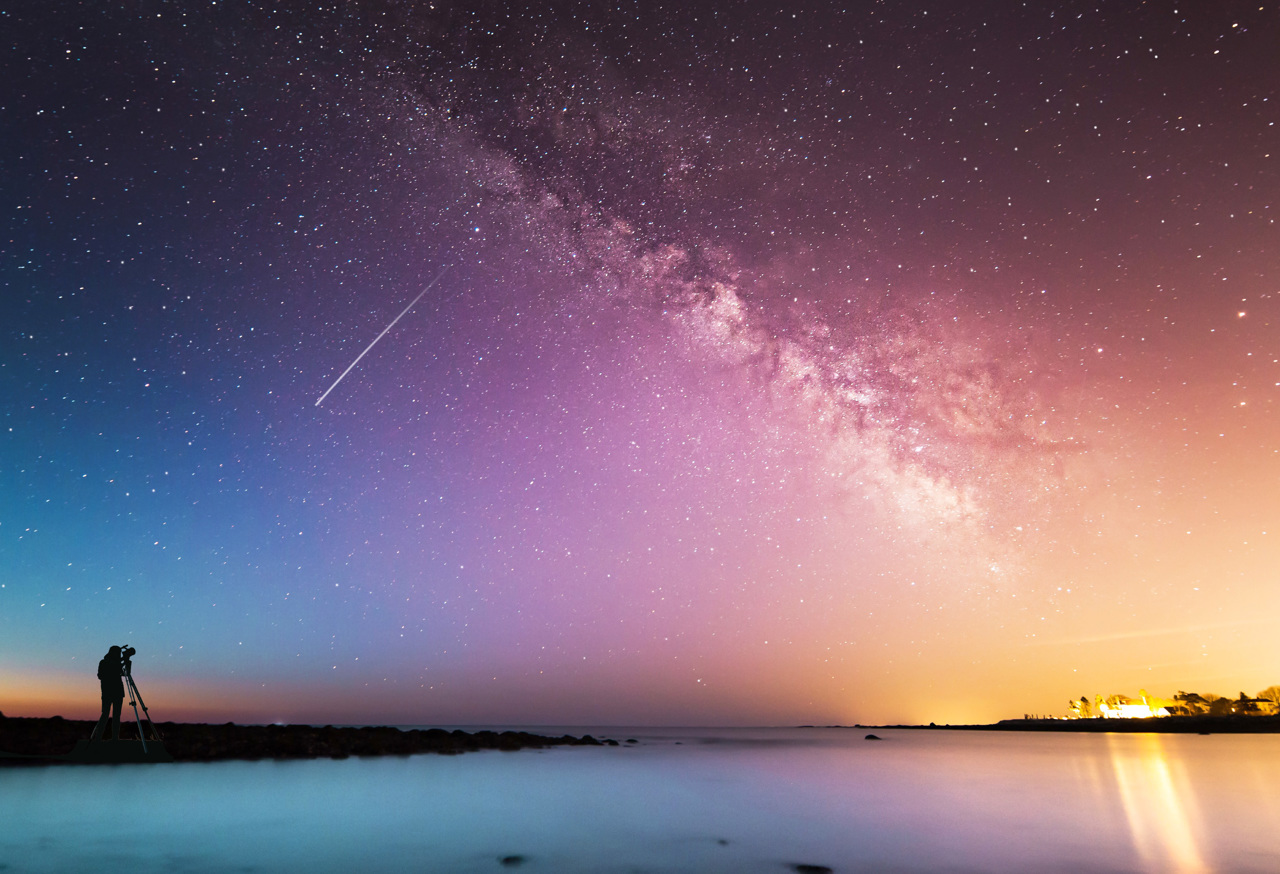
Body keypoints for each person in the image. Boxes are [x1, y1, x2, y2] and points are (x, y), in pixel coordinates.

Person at [90, 646, 125, 741]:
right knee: (105, 714)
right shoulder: (104, 662)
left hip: (117, 693)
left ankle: (115, 738)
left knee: (116, 716)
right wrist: (118, 664)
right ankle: (98, 737)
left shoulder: (117, 663)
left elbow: (123, 673)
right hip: (108, 692)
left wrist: (123, 662)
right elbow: (100, 675)